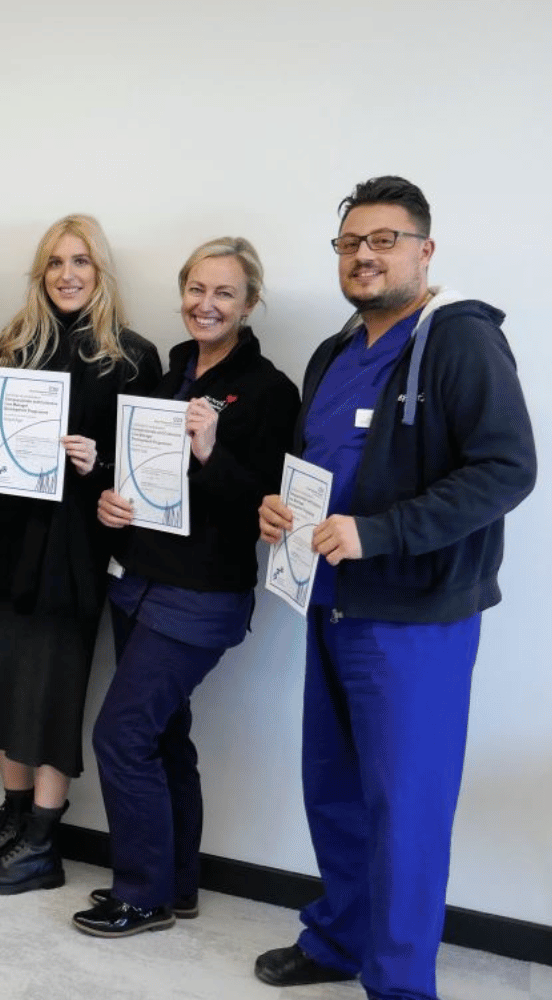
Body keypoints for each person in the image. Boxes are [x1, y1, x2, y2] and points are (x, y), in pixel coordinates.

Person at [253, 177, 535, 999]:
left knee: (405, 810)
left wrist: (380, 533)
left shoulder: (459, 342)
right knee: (335, 791)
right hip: (331, 605)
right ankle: (339, 940)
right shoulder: (335, 352)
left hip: (415, 622)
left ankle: (402, 984)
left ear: (424, 250)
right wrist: (281, 503)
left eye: (384, 240)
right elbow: (323, 464)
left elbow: (507, 468)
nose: (365, 256)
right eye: (350, 243)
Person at [72, 237, 299, 936]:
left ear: (250, 303)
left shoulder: (270, 391)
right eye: (197, 289)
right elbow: (139, 471)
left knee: (121, 734)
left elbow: (269, 506)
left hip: (200, 594)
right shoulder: (170, 368)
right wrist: (109, 495)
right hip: (137, 579)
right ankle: (179, 883)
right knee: (164, 736)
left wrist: (212, 453)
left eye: (225, 293)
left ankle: (143, 893)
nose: (207, 304)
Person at [0, 215, 161, 893]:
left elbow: (145, 475)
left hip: (73, 549)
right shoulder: (10, 346)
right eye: (54, 263)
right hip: (6, 541)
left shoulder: (132, 355)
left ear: (100, 273)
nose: (67, 274)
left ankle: (44, 839)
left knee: (52, 691)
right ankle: (14, 821)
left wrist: (97, 462)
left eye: (81, 262)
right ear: (39, 274)